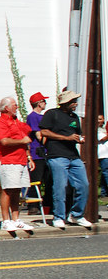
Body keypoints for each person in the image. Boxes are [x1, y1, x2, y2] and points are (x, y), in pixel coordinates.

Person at [40, 89, 92, 228]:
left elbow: (76, 134)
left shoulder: (74, 117)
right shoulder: (52, 113)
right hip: (57, 155)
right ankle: (58, 216)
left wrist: (79, 139)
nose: (76, 104)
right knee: (60, 186)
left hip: (73, 155)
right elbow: (44, 131)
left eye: (76, 101)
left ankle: (76, 215)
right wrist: (66, 138)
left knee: (83, 184)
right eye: (73, 101)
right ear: (65, 102)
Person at [0, 96, 36, 235]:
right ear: (6, 108)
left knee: (17, 190)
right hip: (8, 160)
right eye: (14, 105)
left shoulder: (17, 122)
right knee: (8, 190)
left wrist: (29, 157)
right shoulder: (0, 123)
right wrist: (22, 141)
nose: (17, 107)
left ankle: (16, 218)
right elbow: (4, 141)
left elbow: (27, 138)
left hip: (21, 160)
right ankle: (6, 220)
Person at [26, 92, 51, 215]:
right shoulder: (33, 117)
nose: (45, 103)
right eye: (44, 101)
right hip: (37, 152)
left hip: (45, 152)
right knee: (36, 179)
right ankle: (33, 206)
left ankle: (47, 205)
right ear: (39, 103)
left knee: (48, 179)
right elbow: (39, 135)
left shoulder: (43, 117)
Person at [98, 114, 108, 197]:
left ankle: (103, 192)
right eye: (98, 119)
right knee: (106, 172)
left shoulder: (104, 129)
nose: (99, 121)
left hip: (107, 153)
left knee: (104, 173)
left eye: (101, 119)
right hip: (103, 154)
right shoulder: (96, 130)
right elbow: (102, 138)